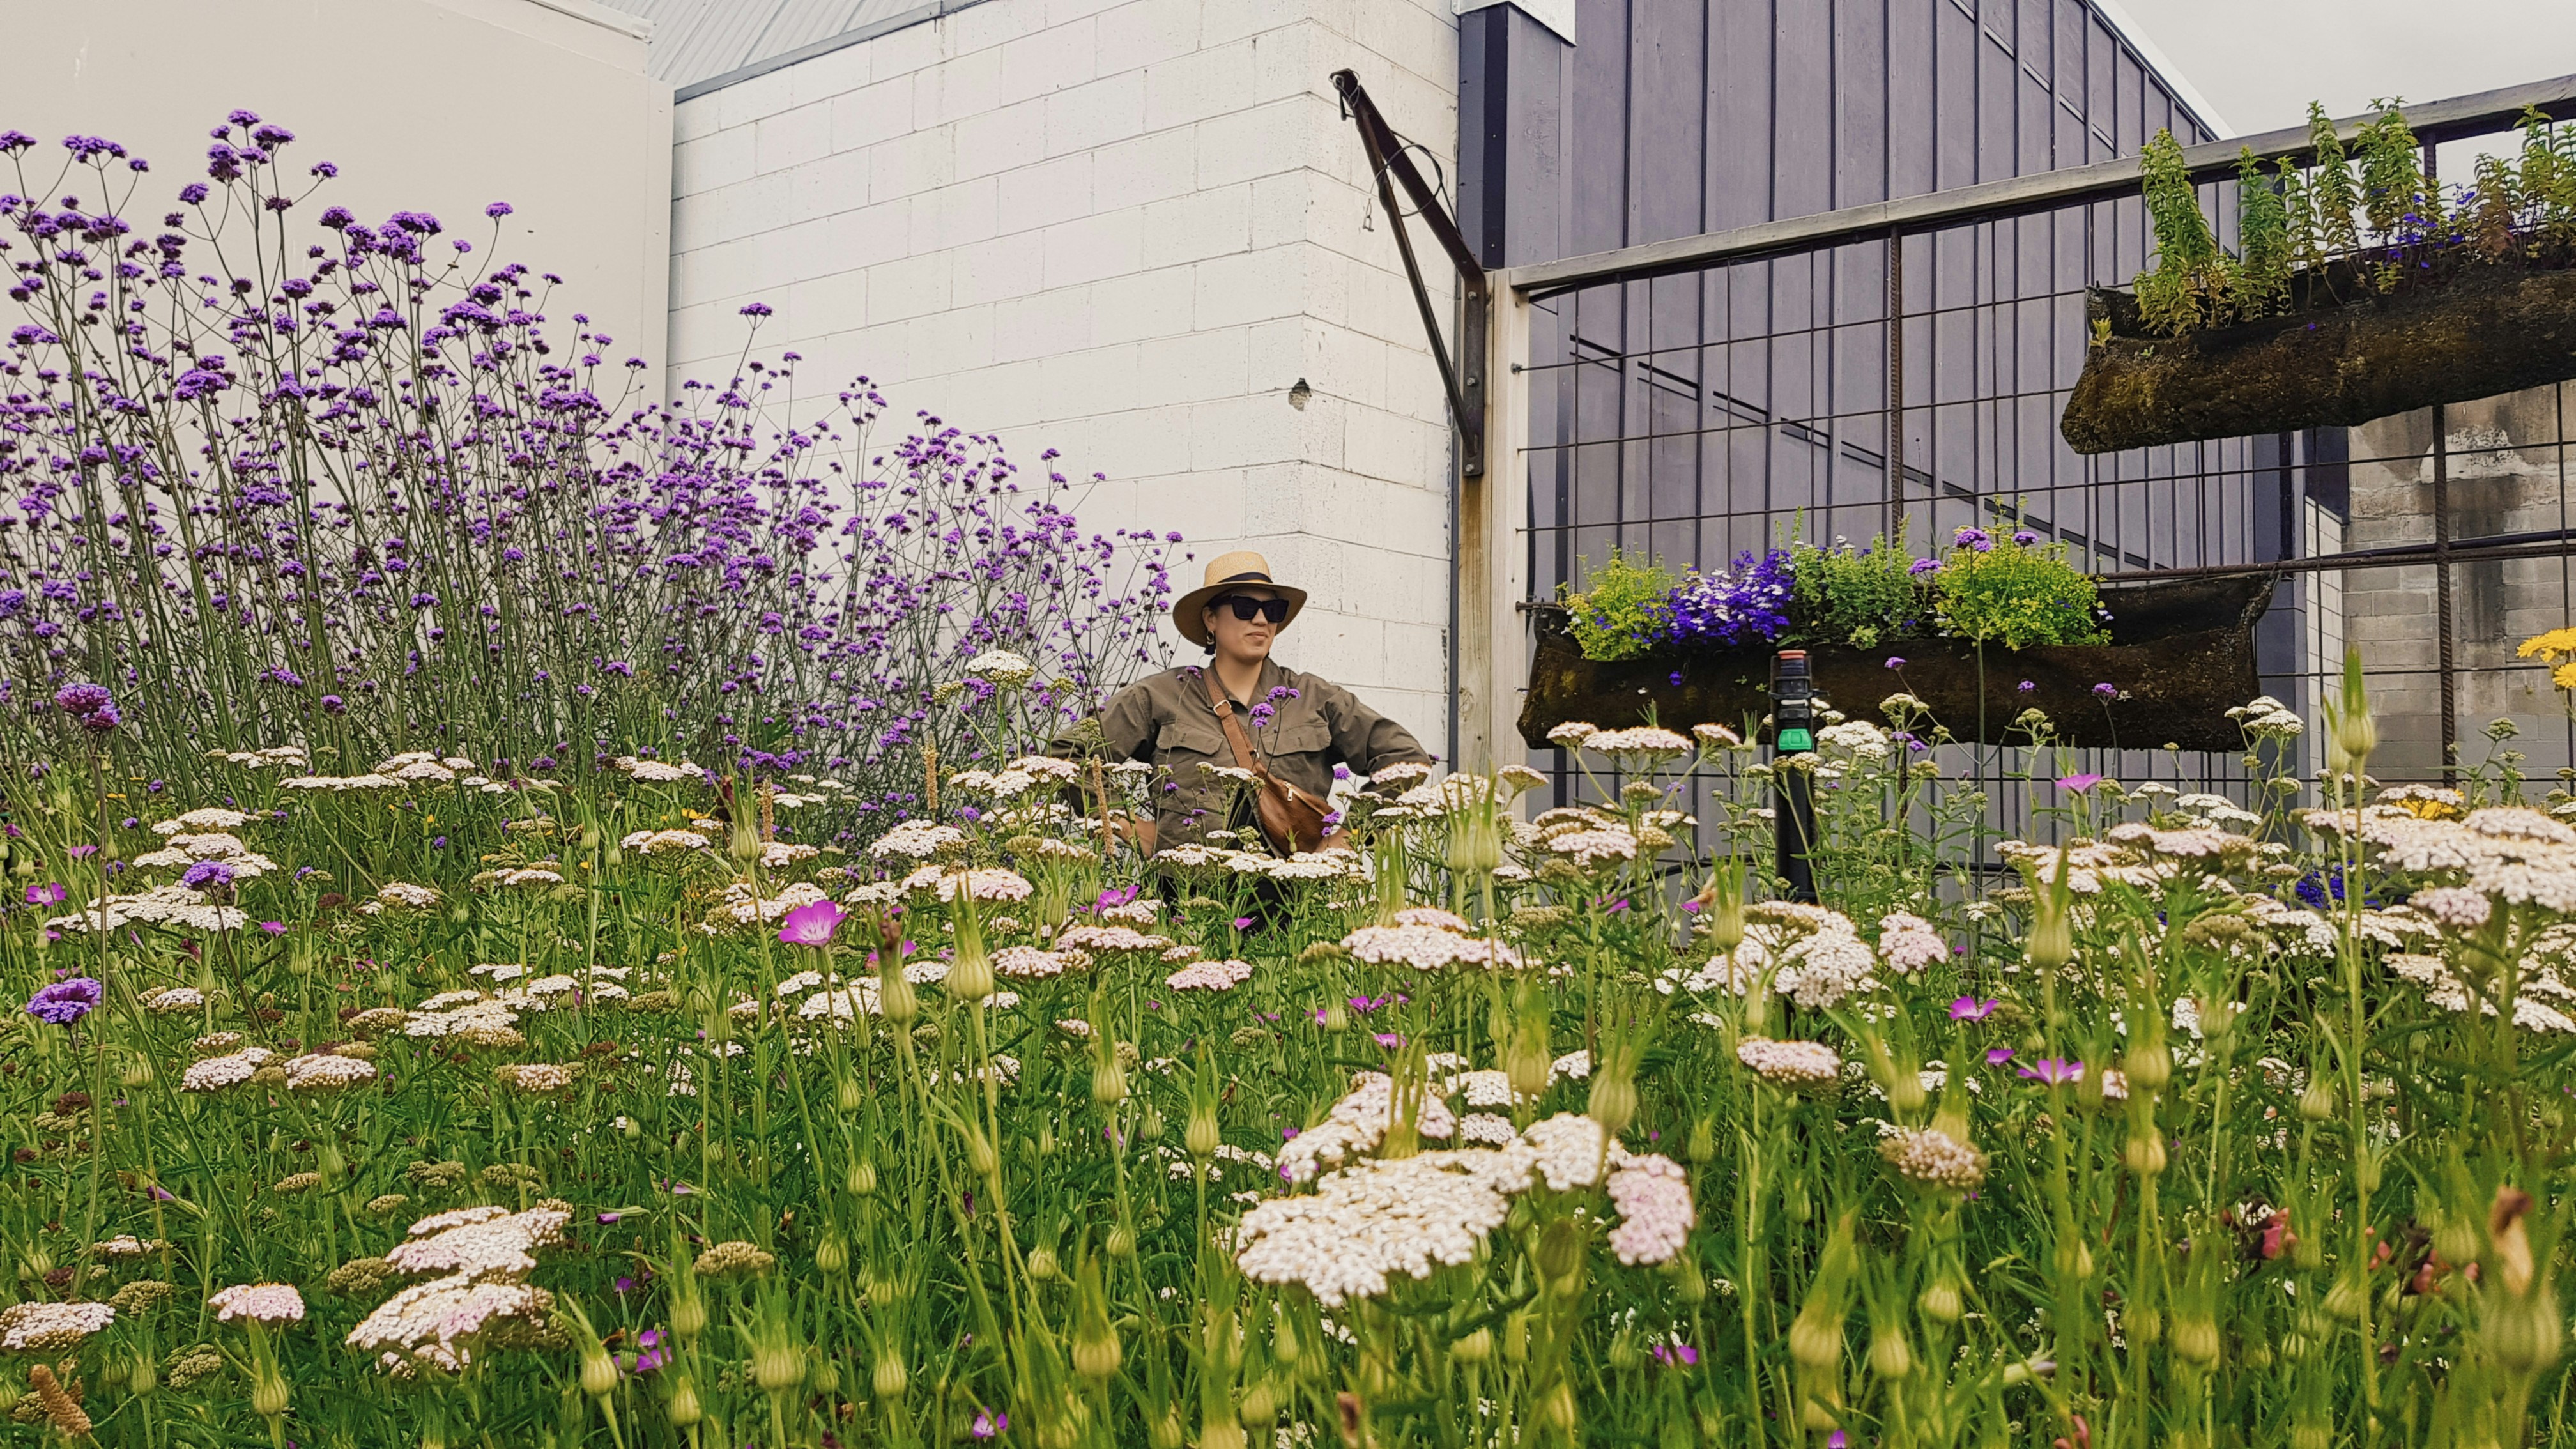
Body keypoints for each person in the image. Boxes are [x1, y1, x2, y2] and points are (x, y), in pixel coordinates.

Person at [1062, 551, 1434, 856]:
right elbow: (1068, 756)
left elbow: (1405, 759)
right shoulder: (1159, 696)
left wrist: (1349, 838)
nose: (1260, 619)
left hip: (1295, 905)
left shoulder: (1314, 699)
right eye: (1244, 607)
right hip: (1187, 904)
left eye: (1272, 611)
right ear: (1211, 619)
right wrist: (1124, 826)